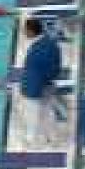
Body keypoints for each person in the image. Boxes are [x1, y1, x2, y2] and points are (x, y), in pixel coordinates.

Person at [19, 18, 62, 146]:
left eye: (25, 30)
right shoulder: (52, 43)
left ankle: (33, 142)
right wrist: (49, 81)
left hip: (35, 88)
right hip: (47, 84)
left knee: (32, 116)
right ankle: (53, 139)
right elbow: (56, 66)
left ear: (31, 31)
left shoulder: (37, 48)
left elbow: (35, 70)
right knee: (48, 113)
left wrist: (35, 86)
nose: (24, 32)